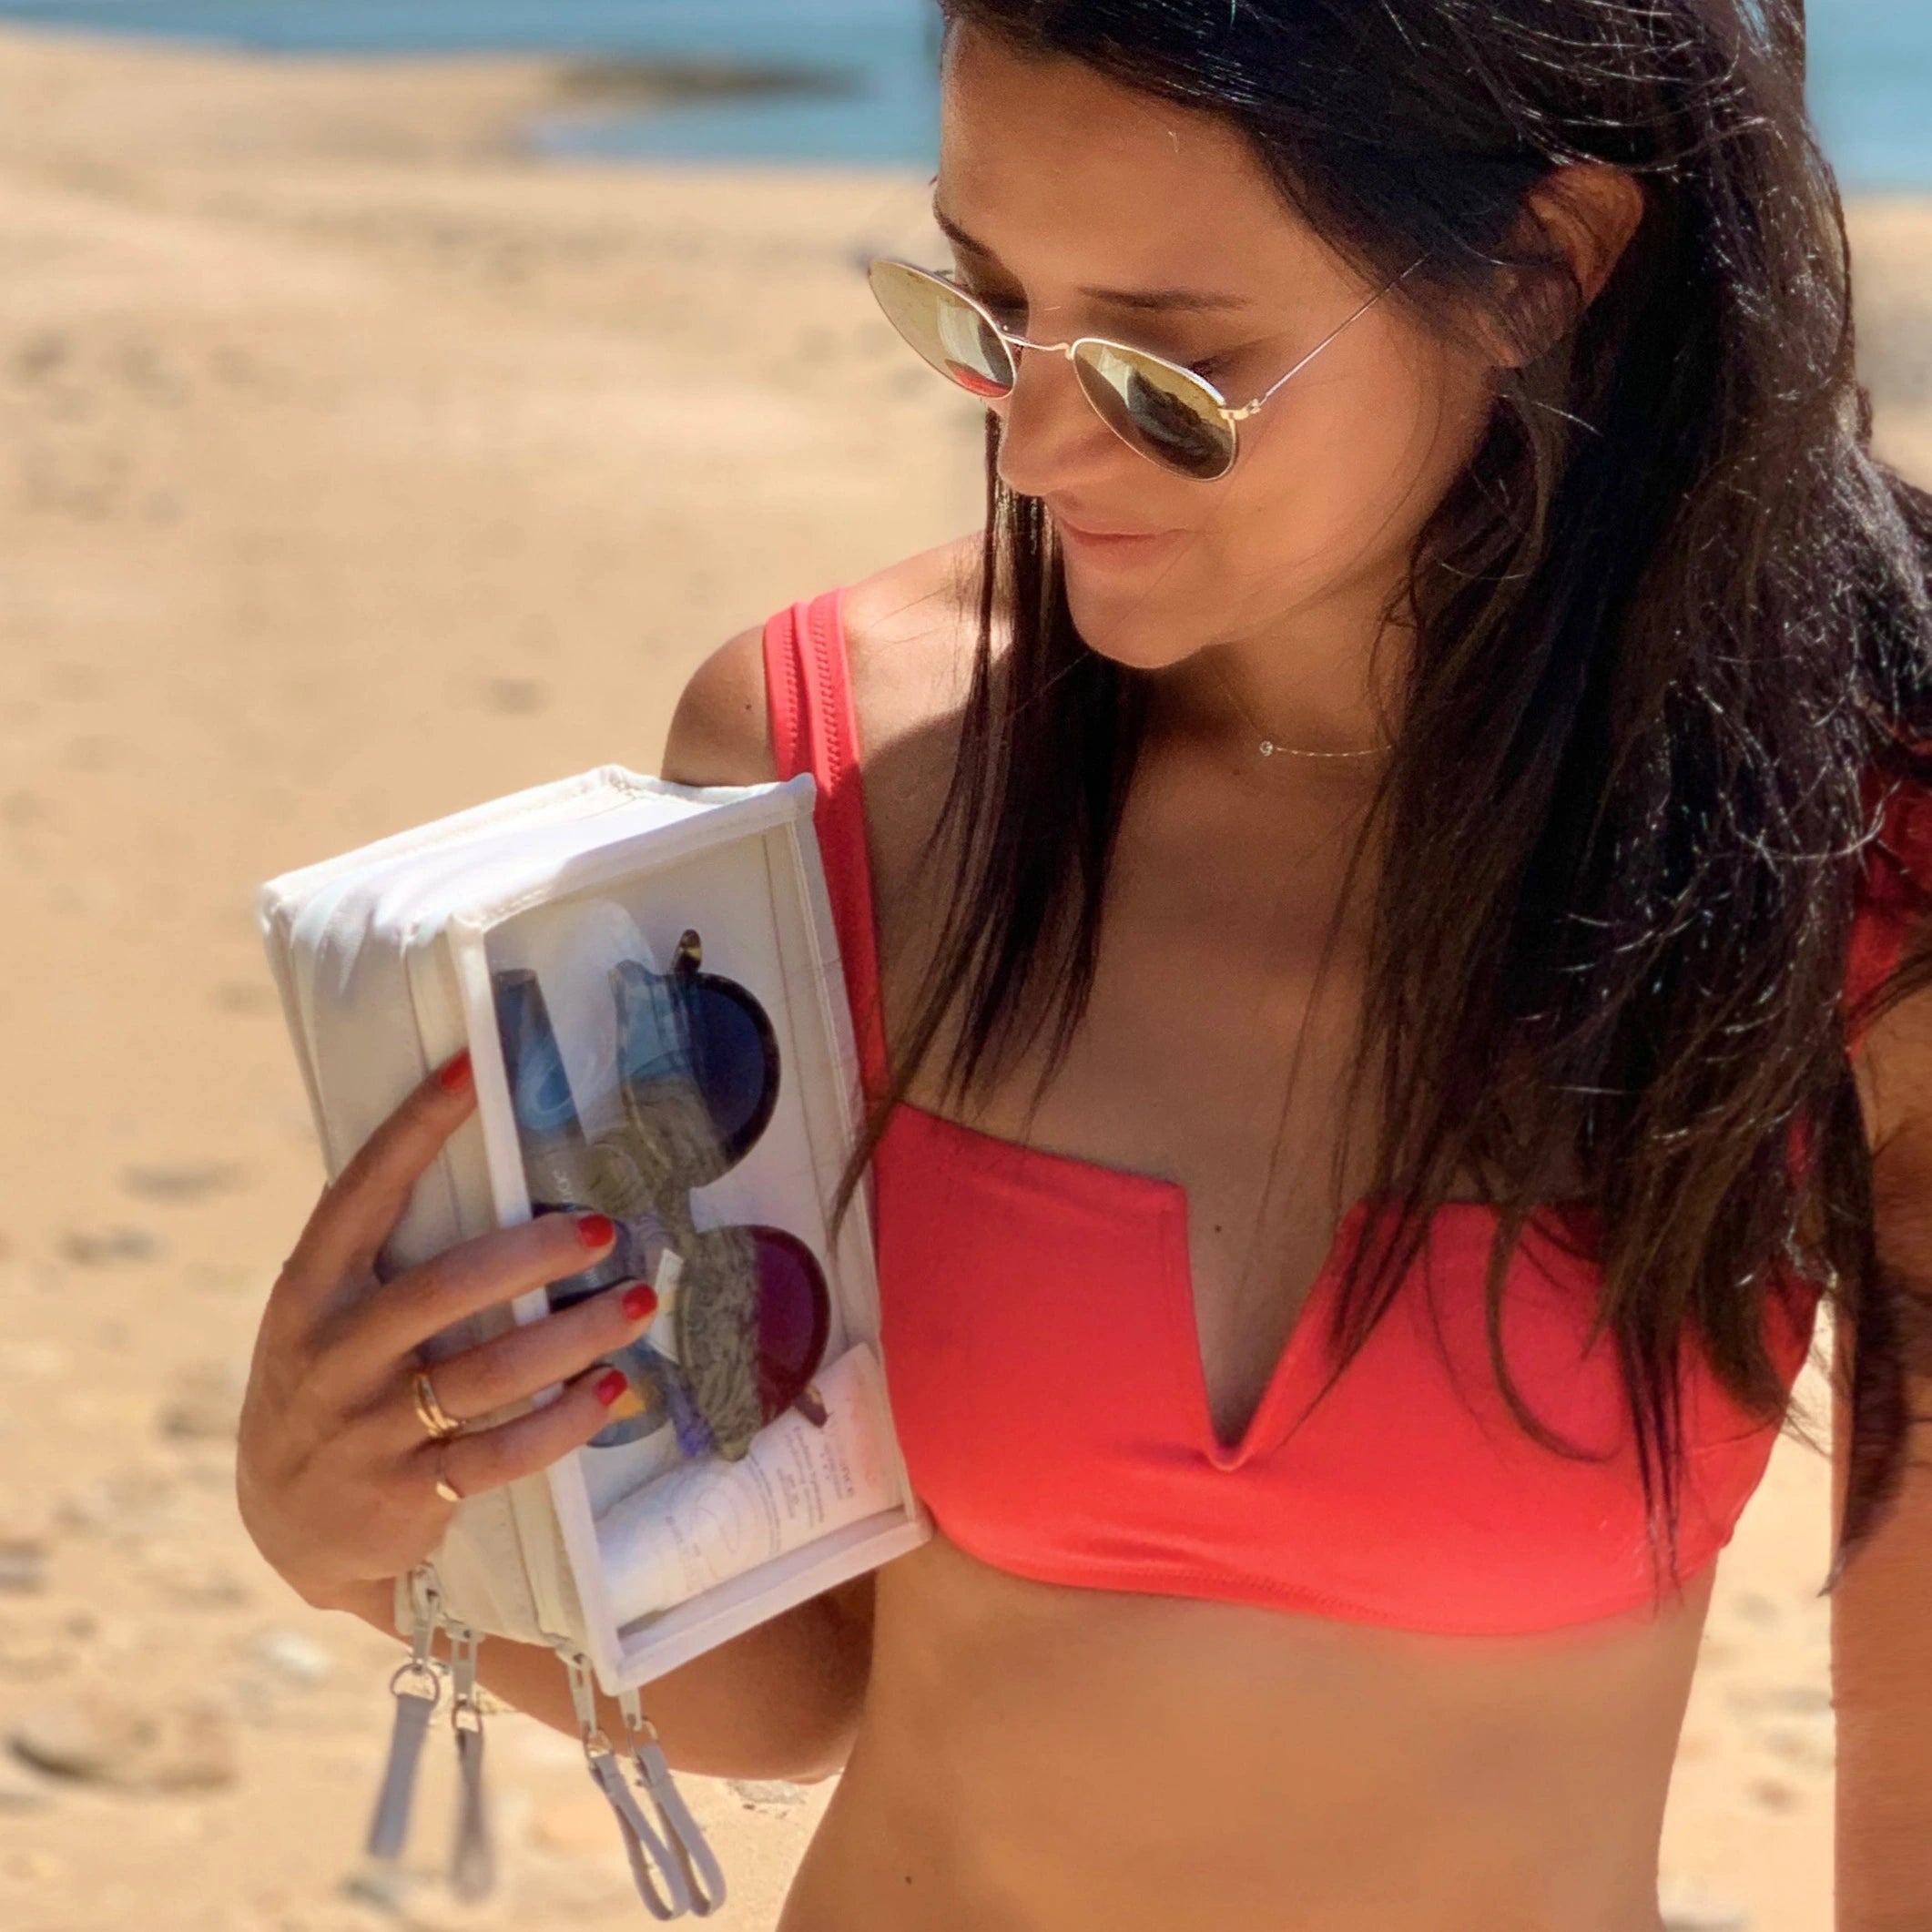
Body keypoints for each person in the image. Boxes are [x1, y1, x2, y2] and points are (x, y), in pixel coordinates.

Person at [236, 5, 1932, 1927]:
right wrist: (363, 1538)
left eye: (1160, 368)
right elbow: (783, 1679)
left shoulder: (1847, 864)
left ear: (1544, 266)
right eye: (981, 309)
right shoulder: (831, 774)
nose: (1033, 448)